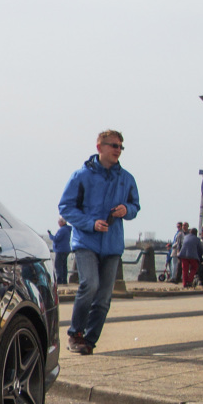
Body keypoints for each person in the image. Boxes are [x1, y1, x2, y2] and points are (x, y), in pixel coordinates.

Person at [58, 129, 141, 355]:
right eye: (114, 146)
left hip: (112, 245)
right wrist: (90, 223)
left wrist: (127, 209)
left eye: (120, 147)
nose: (118, 151)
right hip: (86, 241)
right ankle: (75, 333)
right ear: (100, 147)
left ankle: (89, 341)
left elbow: (135, 206)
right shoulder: (81, 175)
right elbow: (65, 208)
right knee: (90, 285)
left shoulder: (126, 179)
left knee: (104, 297)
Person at [47, 217, 72, 284]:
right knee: (64, 265)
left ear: (62, 222)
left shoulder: (62, 230)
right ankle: (64, 280)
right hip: (66, 249)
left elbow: (56, 238)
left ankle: (59, 280)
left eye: (59, 222)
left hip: (61, 250)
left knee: (58, 266)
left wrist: (50, 235)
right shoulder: (67, 229)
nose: (58, 223)